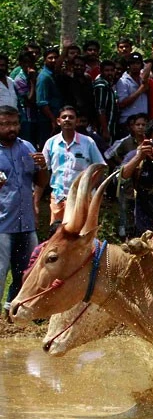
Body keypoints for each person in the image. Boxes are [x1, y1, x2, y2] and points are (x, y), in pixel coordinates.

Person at [0, 105, 48, 321]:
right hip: (2, 224)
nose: (11, 128)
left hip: (26, 222)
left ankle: (15, 315)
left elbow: (40, 182)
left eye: (14, 123)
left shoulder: (27, 147)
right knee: (0, 274)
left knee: (27, 272)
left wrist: (43, 168)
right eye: (5, 124)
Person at [40, 105, 105, 223]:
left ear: (77, 121)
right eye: (64, 117)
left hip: (82, 199)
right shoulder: (51, 143)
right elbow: (43, 168)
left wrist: (89, 189)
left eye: (71, 117)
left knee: (81, 236)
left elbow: (100, 167)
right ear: (58, 121)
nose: (67, 120)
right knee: (58, 236)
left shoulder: (88, 142)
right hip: (59, 198)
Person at [115, 53, 151, 132]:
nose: (135, 66)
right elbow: (122, 104)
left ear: (141, 65)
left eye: (137, 63)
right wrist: (140, 90)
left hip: (143, 122)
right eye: (132, 63)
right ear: (128, 65)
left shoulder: (144, 80)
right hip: (128, 122)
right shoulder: (122, 81)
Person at [36, 46, 63, 147]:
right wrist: (53, 120)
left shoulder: (54, 75)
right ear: (44, 60)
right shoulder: (44, 77)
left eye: (56, 57)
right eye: (50, 58)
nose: (53, 60)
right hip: (47, 120)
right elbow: (42, 102)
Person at [92, 59, 118, 144]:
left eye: (112, 70)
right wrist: (105, 130)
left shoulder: (108, 84)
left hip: (110, 127)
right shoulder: (101, 86)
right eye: (107, 70)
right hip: (103, 129)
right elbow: (100, 109)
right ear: (101, 71)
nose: (109, 73)